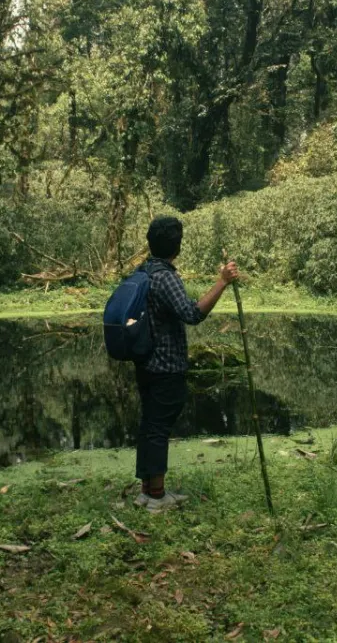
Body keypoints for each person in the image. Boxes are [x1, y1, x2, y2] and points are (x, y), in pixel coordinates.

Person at [135, 216, 239, 511]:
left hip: (145, 363)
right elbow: (191, 314)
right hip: (165, 366)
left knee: (150, 425)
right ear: (176, 247)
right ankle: (156, 496)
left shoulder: (143, 271)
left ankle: (147, 491)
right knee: (157, 429)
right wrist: (222, 282)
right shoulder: (165, 276)